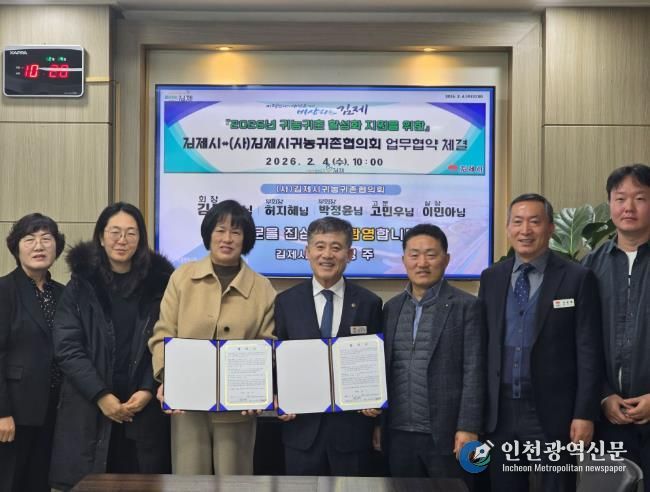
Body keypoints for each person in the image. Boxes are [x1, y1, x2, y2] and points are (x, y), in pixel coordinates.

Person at [479, 193, 603, 492]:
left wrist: (584, 413)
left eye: (534, 221)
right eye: (517, 222)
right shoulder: (491, 277)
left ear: (550, 228)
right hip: (501, 414)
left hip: (553, 413)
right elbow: (482, 346)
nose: (525, 230)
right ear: (508, 228)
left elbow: (589, 351)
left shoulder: (577, 277)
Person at [49, 202, 173, 489]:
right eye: (114, 232)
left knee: (143, 483)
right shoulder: (80, 286)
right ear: (101, 237)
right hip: (90, 406)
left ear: (140, 239)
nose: (122, 240)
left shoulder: (160, 286)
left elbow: (168, 339)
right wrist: (101, 395)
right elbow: (68, 347)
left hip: (142, 408)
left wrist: (148, 388)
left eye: (131, 233)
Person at [149, 199, 275, 475]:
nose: (227, 239)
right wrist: (167, 378)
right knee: (189, 481)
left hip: (238, 410)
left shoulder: (262, 288)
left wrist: (260, 389)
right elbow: (163, 333)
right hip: (187, 406)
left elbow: (268, 346)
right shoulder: (182, 278)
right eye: (220, 230)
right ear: (208, 234)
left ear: (246, 239)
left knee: (235, 483)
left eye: (236, 232)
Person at [274, 216, 383, 476]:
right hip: (301, 430)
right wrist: (277, 395)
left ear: (350, 254)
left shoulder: (369, 303)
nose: (327, 255)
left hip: (352, 432)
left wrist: (377, 404)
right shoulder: (286, 302)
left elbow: (378, 363)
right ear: (307, 252)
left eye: (336, 247)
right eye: (320, 246)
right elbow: (277, 359)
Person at [382, 223, 484, 480]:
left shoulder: (467, 306)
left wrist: (468, 426)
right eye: (414, 255)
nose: (422, 263)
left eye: (431, 254)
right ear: (404, 260)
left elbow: (474, 370)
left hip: (448, 434)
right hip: (398, 433)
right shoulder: (391, 308)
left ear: (446, 259)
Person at [582, 164, 650, 490]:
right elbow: (579, 341)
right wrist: (603, 395)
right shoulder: (589, 267)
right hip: (609, 418)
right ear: (609, 204)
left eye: (640, 198)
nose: (629, 207)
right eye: (620, 198)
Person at [0, 214, 65, 492]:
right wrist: (2, 413)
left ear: (56, 247)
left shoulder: (63, 294)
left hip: (54, 411)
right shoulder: (4, 290)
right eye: (30, 239)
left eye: (46, 239)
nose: (39, 246)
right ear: (16, 247)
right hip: (14, 413)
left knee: (40, 484)